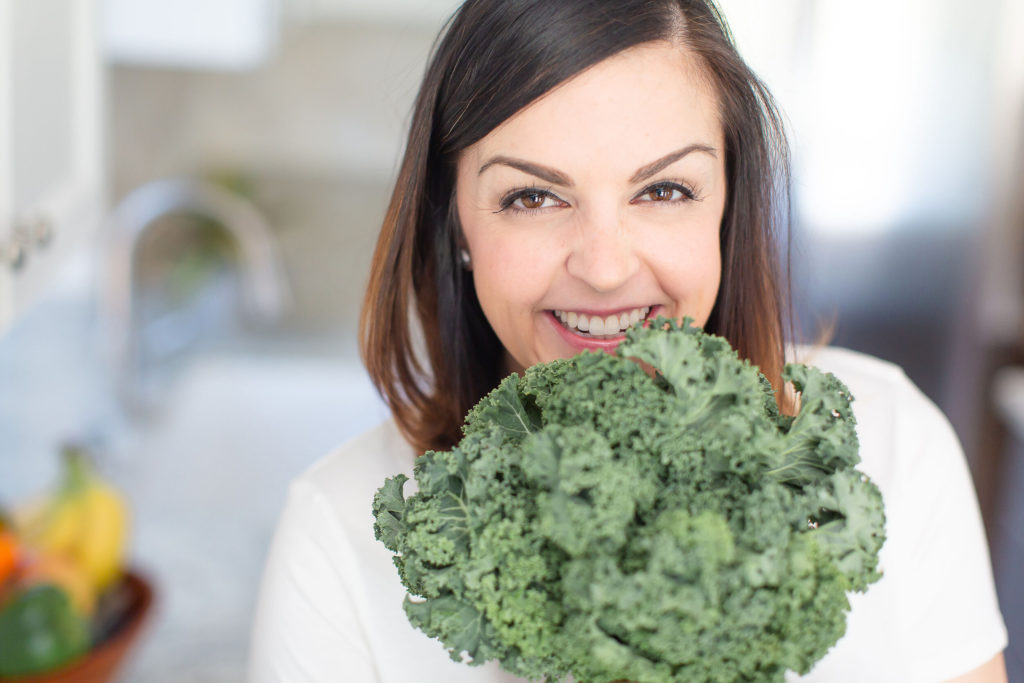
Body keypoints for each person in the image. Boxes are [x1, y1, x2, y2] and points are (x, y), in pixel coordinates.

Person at [248, 1, 1009, 681]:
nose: (606, 268)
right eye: (534, 196)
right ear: (457, 224)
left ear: (728, 207)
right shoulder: (336, 541)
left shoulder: (892, 448)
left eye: (664, 190)